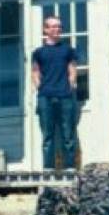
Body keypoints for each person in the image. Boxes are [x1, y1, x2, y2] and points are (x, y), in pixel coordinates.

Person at [31, 15, 80, 170]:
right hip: (45, 97)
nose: (56, 29)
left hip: (65, 96)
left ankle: (70, 167)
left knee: (68, 134)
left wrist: (70, 85)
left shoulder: (68, 50)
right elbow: (35, 72)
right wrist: (40, 87)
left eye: (59, 26)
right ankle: (48, 167)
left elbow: (72, 70)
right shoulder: (38, 52)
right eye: (52, 26)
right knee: (48, 135)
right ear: (45, 29)